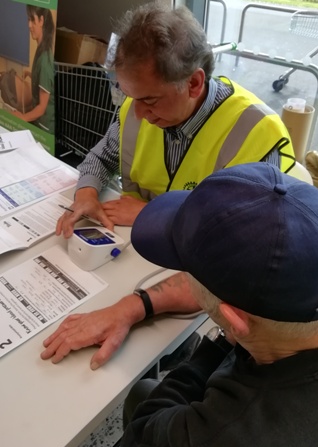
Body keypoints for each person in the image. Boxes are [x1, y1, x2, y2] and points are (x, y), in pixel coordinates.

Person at [41, 2, 295, 370]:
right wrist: (86, 194)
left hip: (197, 294)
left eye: (149, 100)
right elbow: (100, 157)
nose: (138, 113)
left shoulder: (256, 134)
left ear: (194, 82)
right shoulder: (137, 108)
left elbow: (233, 265)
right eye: (130, 97)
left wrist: (151, 215)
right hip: (128, 257)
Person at [119, 162, 318, 447]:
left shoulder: (220, 433)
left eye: (185, 270)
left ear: (235, 320)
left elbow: (142, 434)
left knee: (143, 395)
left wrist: (219, 342)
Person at [12, 6, 55, 134]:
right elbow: (45, 79)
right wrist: (30, 74)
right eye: (28, 20)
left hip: (45, 127)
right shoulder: (41, 49)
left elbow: (42, 108)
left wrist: (22, 118)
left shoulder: (45, 60)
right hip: (39, 121)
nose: (29, 25)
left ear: (41, 20)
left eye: (32, 20)